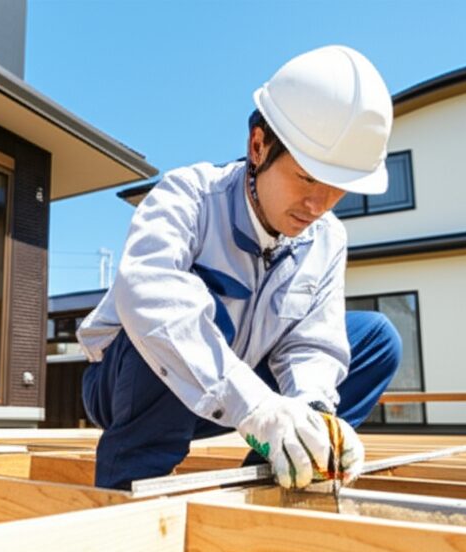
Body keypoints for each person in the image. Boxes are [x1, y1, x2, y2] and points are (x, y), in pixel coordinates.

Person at [77, 45, 402, 490]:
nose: (318, 205)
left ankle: (285, 465)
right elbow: (147, 297)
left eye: (337, 190)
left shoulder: (327, 238)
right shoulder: (188, 196)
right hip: (126, 388)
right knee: (184, 308)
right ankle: (129, 486)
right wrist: (256, 409)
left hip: (240, 398)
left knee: (378, 338)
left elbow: (314, 342)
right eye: (307, 178)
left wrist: (312, 412)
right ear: (258, 145)